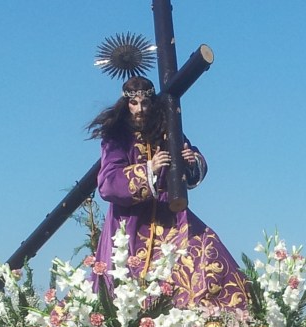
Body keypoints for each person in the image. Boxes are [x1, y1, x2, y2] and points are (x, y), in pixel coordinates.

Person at [86, 75, 249, 309]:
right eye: (134, 104)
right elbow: (108, 183)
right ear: (126, 104)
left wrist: (190, 161)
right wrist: (147, 169)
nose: (140, 109)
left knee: (207, 248)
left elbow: (192, 162)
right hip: (131, 223)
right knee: (131, 282)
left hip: (171, 214)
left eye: (145, 103)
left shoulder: (168, 131)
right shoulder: (117, 139)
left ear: (153, 104)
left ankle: (221, 323)